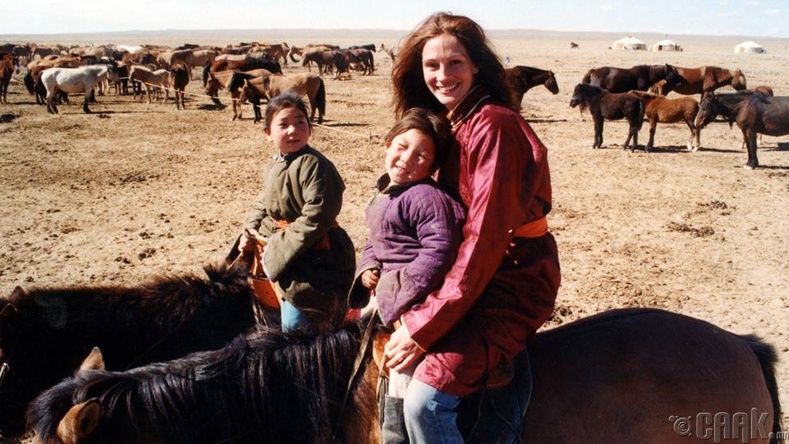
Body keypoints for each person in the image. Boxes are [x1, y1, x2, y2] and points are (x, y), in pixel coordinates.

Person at [384, 12, 562, 443]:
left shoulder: (494, 125)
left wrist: (424, 325)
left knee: (426, 401)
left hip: (510, 280)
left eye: (455, 63)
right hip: (467, 275)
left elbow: (484, 238)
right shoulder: (452, 123)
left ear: (477, 64)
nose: (443, 76)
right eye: (432, 66)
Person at [347, 108, 466, 443]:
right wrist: (368, 268)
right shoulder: (387, 189)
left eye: (421, 155)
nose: (406, 159)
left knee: (401, 368)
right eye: (401, 146)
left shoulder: (427, 198)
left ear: (432, 166)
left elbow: (438, 252)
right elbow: (376, 240)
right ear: (387, 144)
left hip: (414, 300)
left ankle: (397, 435)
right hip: (386, 292)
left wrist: (392, 289)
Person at [238, 92, 355, 334]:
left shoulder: (315, 165)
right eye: (283, 124)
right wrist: (250, 227)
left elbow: (317, 216)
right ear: (268, 133)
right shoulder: (276, 163)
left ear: (309, 129)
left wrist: (277, 249)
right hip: (287, 249)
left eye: (300, 122)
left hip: (317, 256)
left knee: (298, 325)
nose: (293, 130)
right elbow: (265, 199)